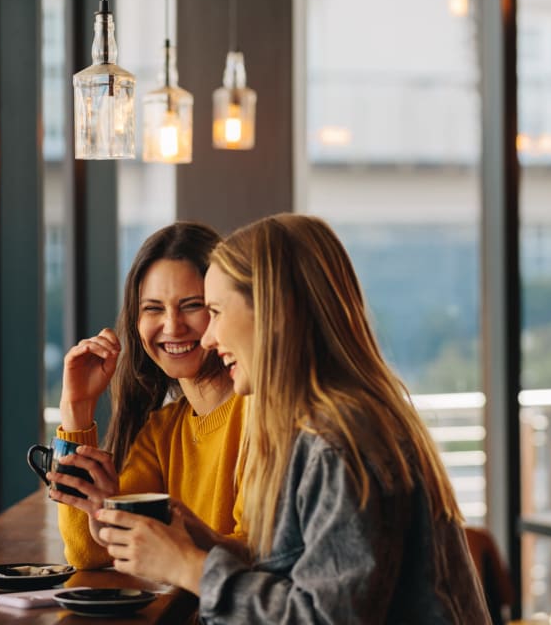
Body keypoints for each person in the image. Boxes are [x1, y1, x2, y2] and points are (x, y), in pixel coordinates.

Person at [94, 213, 491, 623]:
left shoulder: (338, 442)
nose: (208, 338)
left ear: (272, 312)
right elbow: (307, 567)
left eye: (214, 310)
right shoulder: (313, 427)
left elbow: (326, 617)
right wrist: (206, 542)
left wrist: (187, 567)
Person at [48, 221, 244, 570]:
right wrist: (76, 411)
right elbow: (90, 553)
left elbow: (259, 556)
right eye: (153, 308)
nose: (172, 326)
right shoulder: (162, 430)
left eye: (192, 305)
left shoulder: (259, 414)